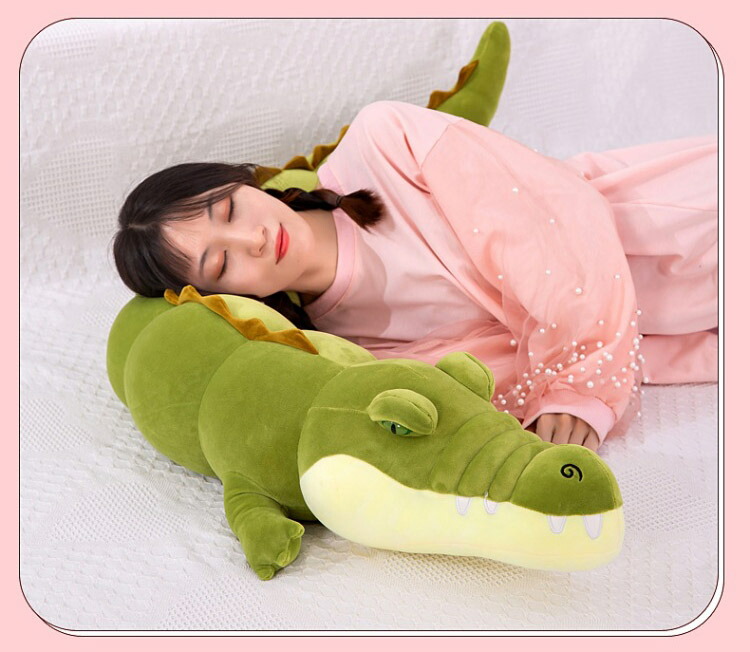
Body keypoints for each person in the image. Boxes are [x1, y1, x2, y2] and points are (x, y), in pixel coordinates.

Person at [112, 100, 718, 452]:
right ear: (226, 298)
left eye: (229, 210)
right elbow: (495, 377)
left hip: (679, 223)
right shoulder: (354, 349)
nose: (253, 238)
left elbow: (551, 225)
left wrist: (581, 382)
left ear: (242, 181)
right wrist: (552, 409)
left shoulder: (383, 142)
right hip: (689, 328)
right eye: (222, 263)